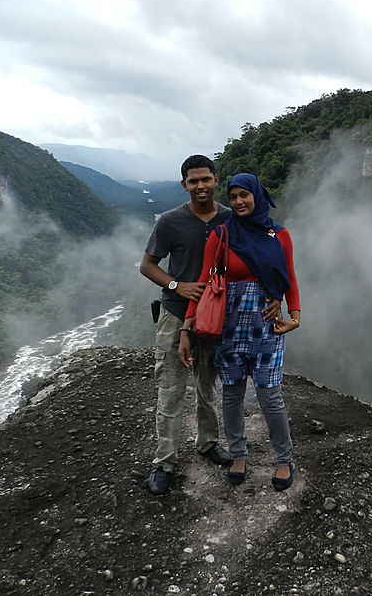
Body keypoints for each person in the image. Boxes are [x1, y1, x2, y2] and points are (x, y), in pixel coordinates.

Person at [181, 173, 301, 491]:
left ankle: (283, 460)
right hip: (230, 326)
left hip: (267, 325)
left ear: (257, 196)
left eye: (244, 195)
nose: (238, 202)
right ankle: (238, 454)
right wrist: (186, 326)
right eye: (233, 197)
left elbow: (289, 277)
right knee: (232, 394)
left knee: (270, 396)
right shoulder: (222, 234)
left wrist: (296, 317)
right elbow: (203, 283)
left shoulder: (279, 235)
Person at [139, 155, 234, 495]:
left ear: (215, 179)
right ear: (184, 185)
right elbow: (147, 265)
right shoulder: (170, 221)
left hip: (214, 316)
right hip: (175, 313)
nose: (200, 186)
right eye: (193, 181)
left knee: (207, 385)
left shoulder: (230, 217)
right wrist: (177, 285)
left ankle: (208, 443)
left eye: (205, 179)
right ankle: (164, 461)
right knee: (170, 388)